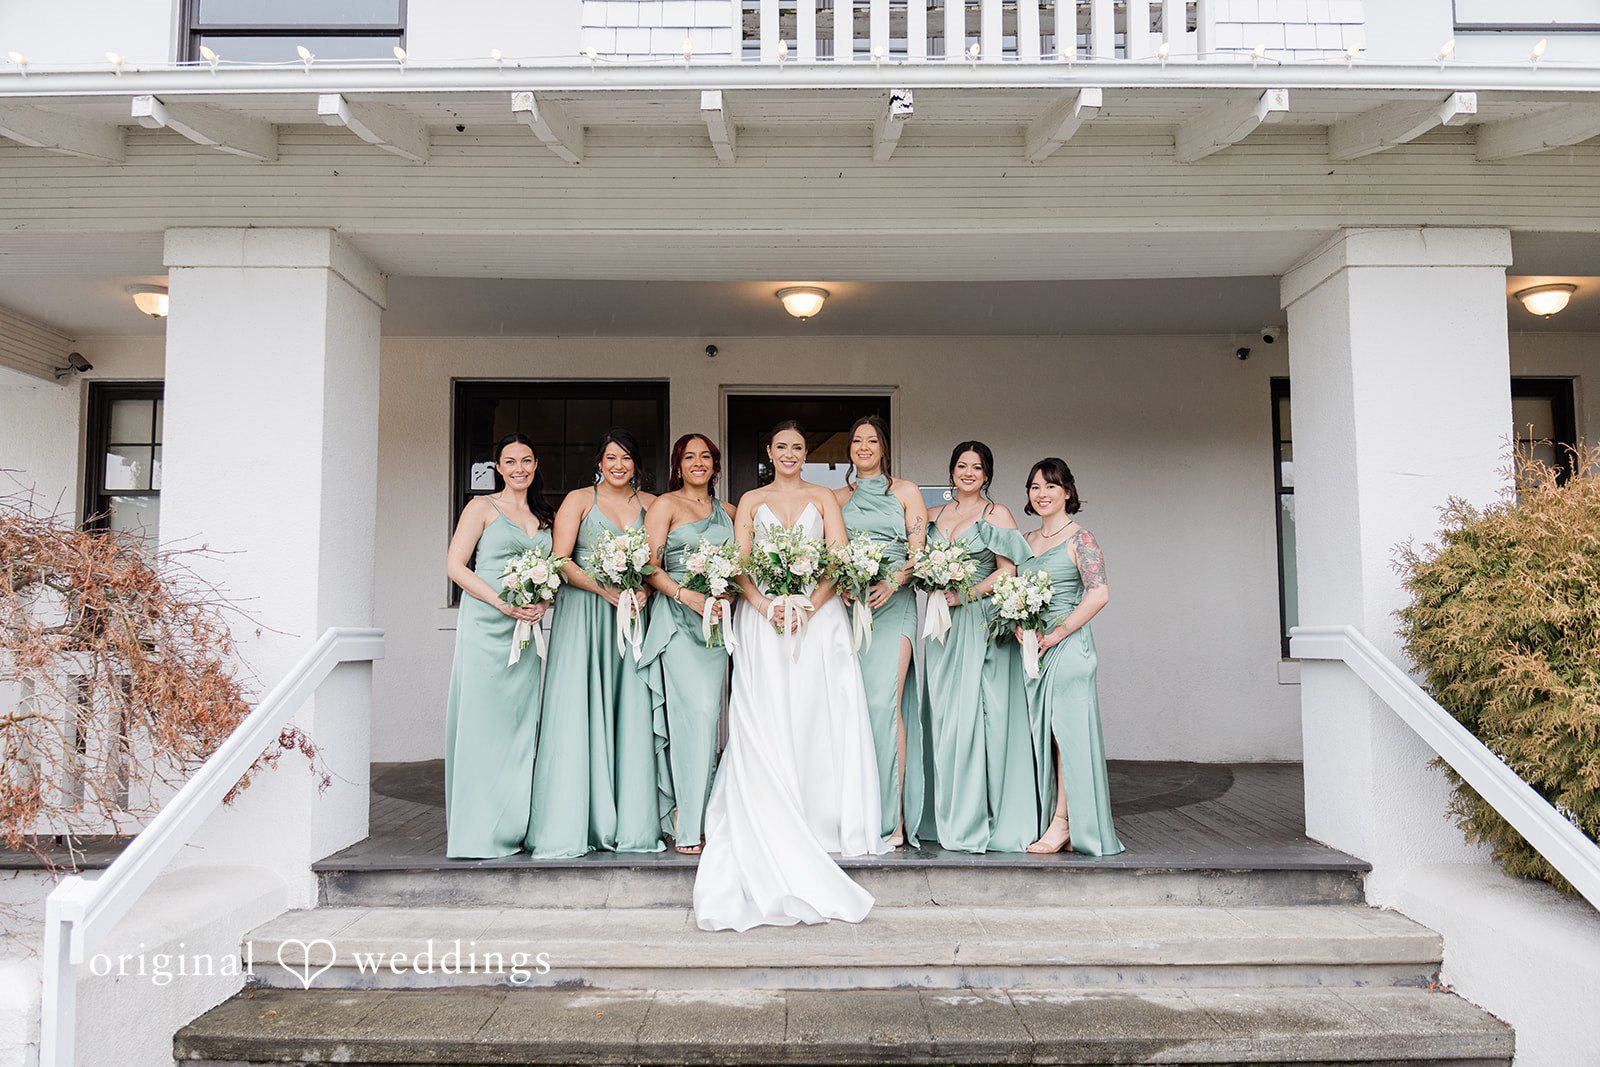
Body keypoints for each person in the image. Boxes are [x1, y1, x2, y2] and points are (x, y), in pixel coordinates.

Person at [693, 420, 889, 932]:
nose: (789, 454)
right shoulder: (750, 500)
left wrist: (807, 602)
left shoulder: (825, 497)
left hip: (817, 622)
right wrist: (763, 604)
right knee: (768, 713)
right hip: (762, 622)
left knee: (817, 713)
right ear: (768, 450)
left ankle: (822, 817)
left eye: (798, 448)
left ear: (807, 454)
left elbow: (838, 560)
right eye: (781, 446)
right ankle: (771, 809)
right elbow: (737, 566)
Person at [526, 428, 663, 858]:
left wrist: (646, 589)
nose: (618, 465)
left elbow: (659, 561)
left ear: (636, 463)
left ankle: (634, 821)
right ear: (599, 463)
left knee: (631, 707)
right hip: (586, 616)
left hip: (632, 618)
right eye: (610, 457)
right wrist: (603, 590)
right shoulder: (579, 500)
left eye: (626, 457)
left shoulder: (653, 505)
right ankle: (575, 821)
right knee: (578, 709)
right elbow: (560, 559)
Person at [921, 441, 1038, 852]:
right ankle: (945, 812)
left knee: (978, 718)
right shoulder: (933, 515)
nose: (967, 472)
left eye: (976, 467)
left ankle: (982, 816)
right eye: (961, 465)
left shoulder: (996, 514)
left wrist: (964, 593)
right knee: (945, 718)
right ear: (951, 470)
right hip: (940, 628)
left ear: (987, 474)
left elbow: (1008, 572)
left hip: (978, 623)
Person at [442, 434, 553, 858]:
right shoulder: (481, 508)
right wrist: (501, 603)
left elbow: (552, 571)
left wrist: (542, 600)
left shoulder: (544, 516)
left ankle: (514, 826)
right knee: (483, 725)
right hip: (488, 625)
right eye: (510, 462)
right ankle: (477, 833)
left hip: (526, 631)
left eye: (526, 460)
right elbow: (455, 566)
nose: (519, 468)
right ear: (498, 468)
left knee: (520, 727)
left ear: (535, 463)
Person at [1014, 458, 1124, 857]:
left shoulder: (1082, 539)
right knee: (1044, 737)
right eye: (1035, 487)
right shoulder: (1025, 540)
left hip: (1069, 650)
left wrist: (1058, 632)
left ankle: (1064, 824)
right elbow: (1013, 593)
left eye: (1050, 486)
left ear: (1067, 492)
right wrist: (1018, 624)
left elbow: (1099, 593)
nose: (1042, 494)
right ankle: (1053, 817)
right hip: (1035, 652)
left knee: (1066, 738)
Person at [640, 433, 738, 854]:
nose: (697, 463)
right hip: (678, 621)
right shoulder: (665, 505)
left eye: (705, 457)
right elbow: (650, 565)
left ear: (715, 466)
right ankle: (685, 822)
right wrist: (686, 595)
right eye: (689, 457)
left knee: (709, 719)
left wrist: (725, 594)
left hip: (714, 628)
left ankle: (702, 813)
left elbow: (741, 567)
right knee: (691, 718)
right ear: (678, 465)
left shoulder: (730, 512)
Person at [835, 415, 930, 846]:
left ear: (883, 447)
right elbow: (828, 555)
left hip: (897, 606)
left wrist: (893, 580)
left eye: (871, 440)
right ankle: (856, 808)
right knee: (852, 705)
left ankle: (892, 820)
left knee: (884, 702)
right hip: (855, 609)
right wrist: (845, 586)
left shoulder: (905, 492)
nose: (864, 446)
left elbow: (920, 554)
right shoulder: (836, 497)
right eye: (857, 441)